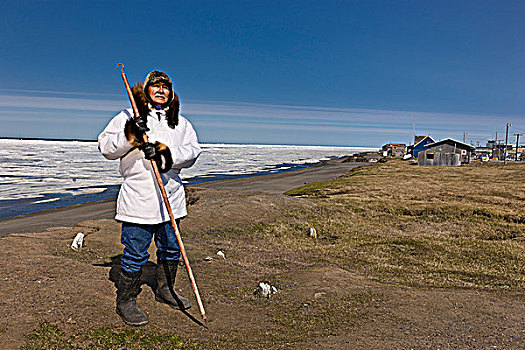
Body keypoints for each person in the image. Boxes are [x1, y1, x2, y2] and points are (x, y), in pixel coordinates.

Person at [98, 70, 201, 326]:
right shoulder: (128, 115)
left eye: (165, 87)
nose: (160, 90)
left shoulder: (181, 123)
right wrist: (130, 134)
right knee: (135, 252)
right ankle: (126, 300)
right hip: (138, 198)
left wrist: (165, 152)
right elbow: (106, 147)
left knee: (170, 248)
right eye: (155, 86)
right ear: (146, 90)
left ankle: (166, 289)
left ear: (171, 92)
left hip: (171, 199)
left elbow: (192, 152)